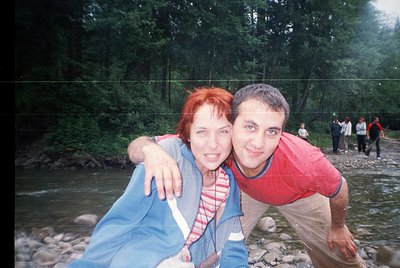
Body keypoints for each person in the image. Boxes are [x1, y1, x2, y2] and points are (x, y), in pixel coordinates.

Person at [128, 84, 366, 268]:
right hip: (247, 193)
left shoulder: (305, 161)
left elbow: (339, 187)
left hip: (300, 195)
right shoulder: (218, 143)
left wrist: (338, 225)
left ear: (281, 132)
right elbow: (138, 145)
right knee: (215, 245)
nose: (258, 143)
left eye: (272, 131)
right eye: (250, 127)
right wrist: (152, 152)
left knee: (339, 252)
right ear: (231, 124)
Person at [69, 87, 248, 268]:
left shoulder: (227, 183)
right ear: (188, 133)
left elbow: (232, 244)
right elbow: (121, 222)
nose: (213, 144)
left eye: (223, 131)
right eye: (202, 131)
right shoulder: (165, 156)